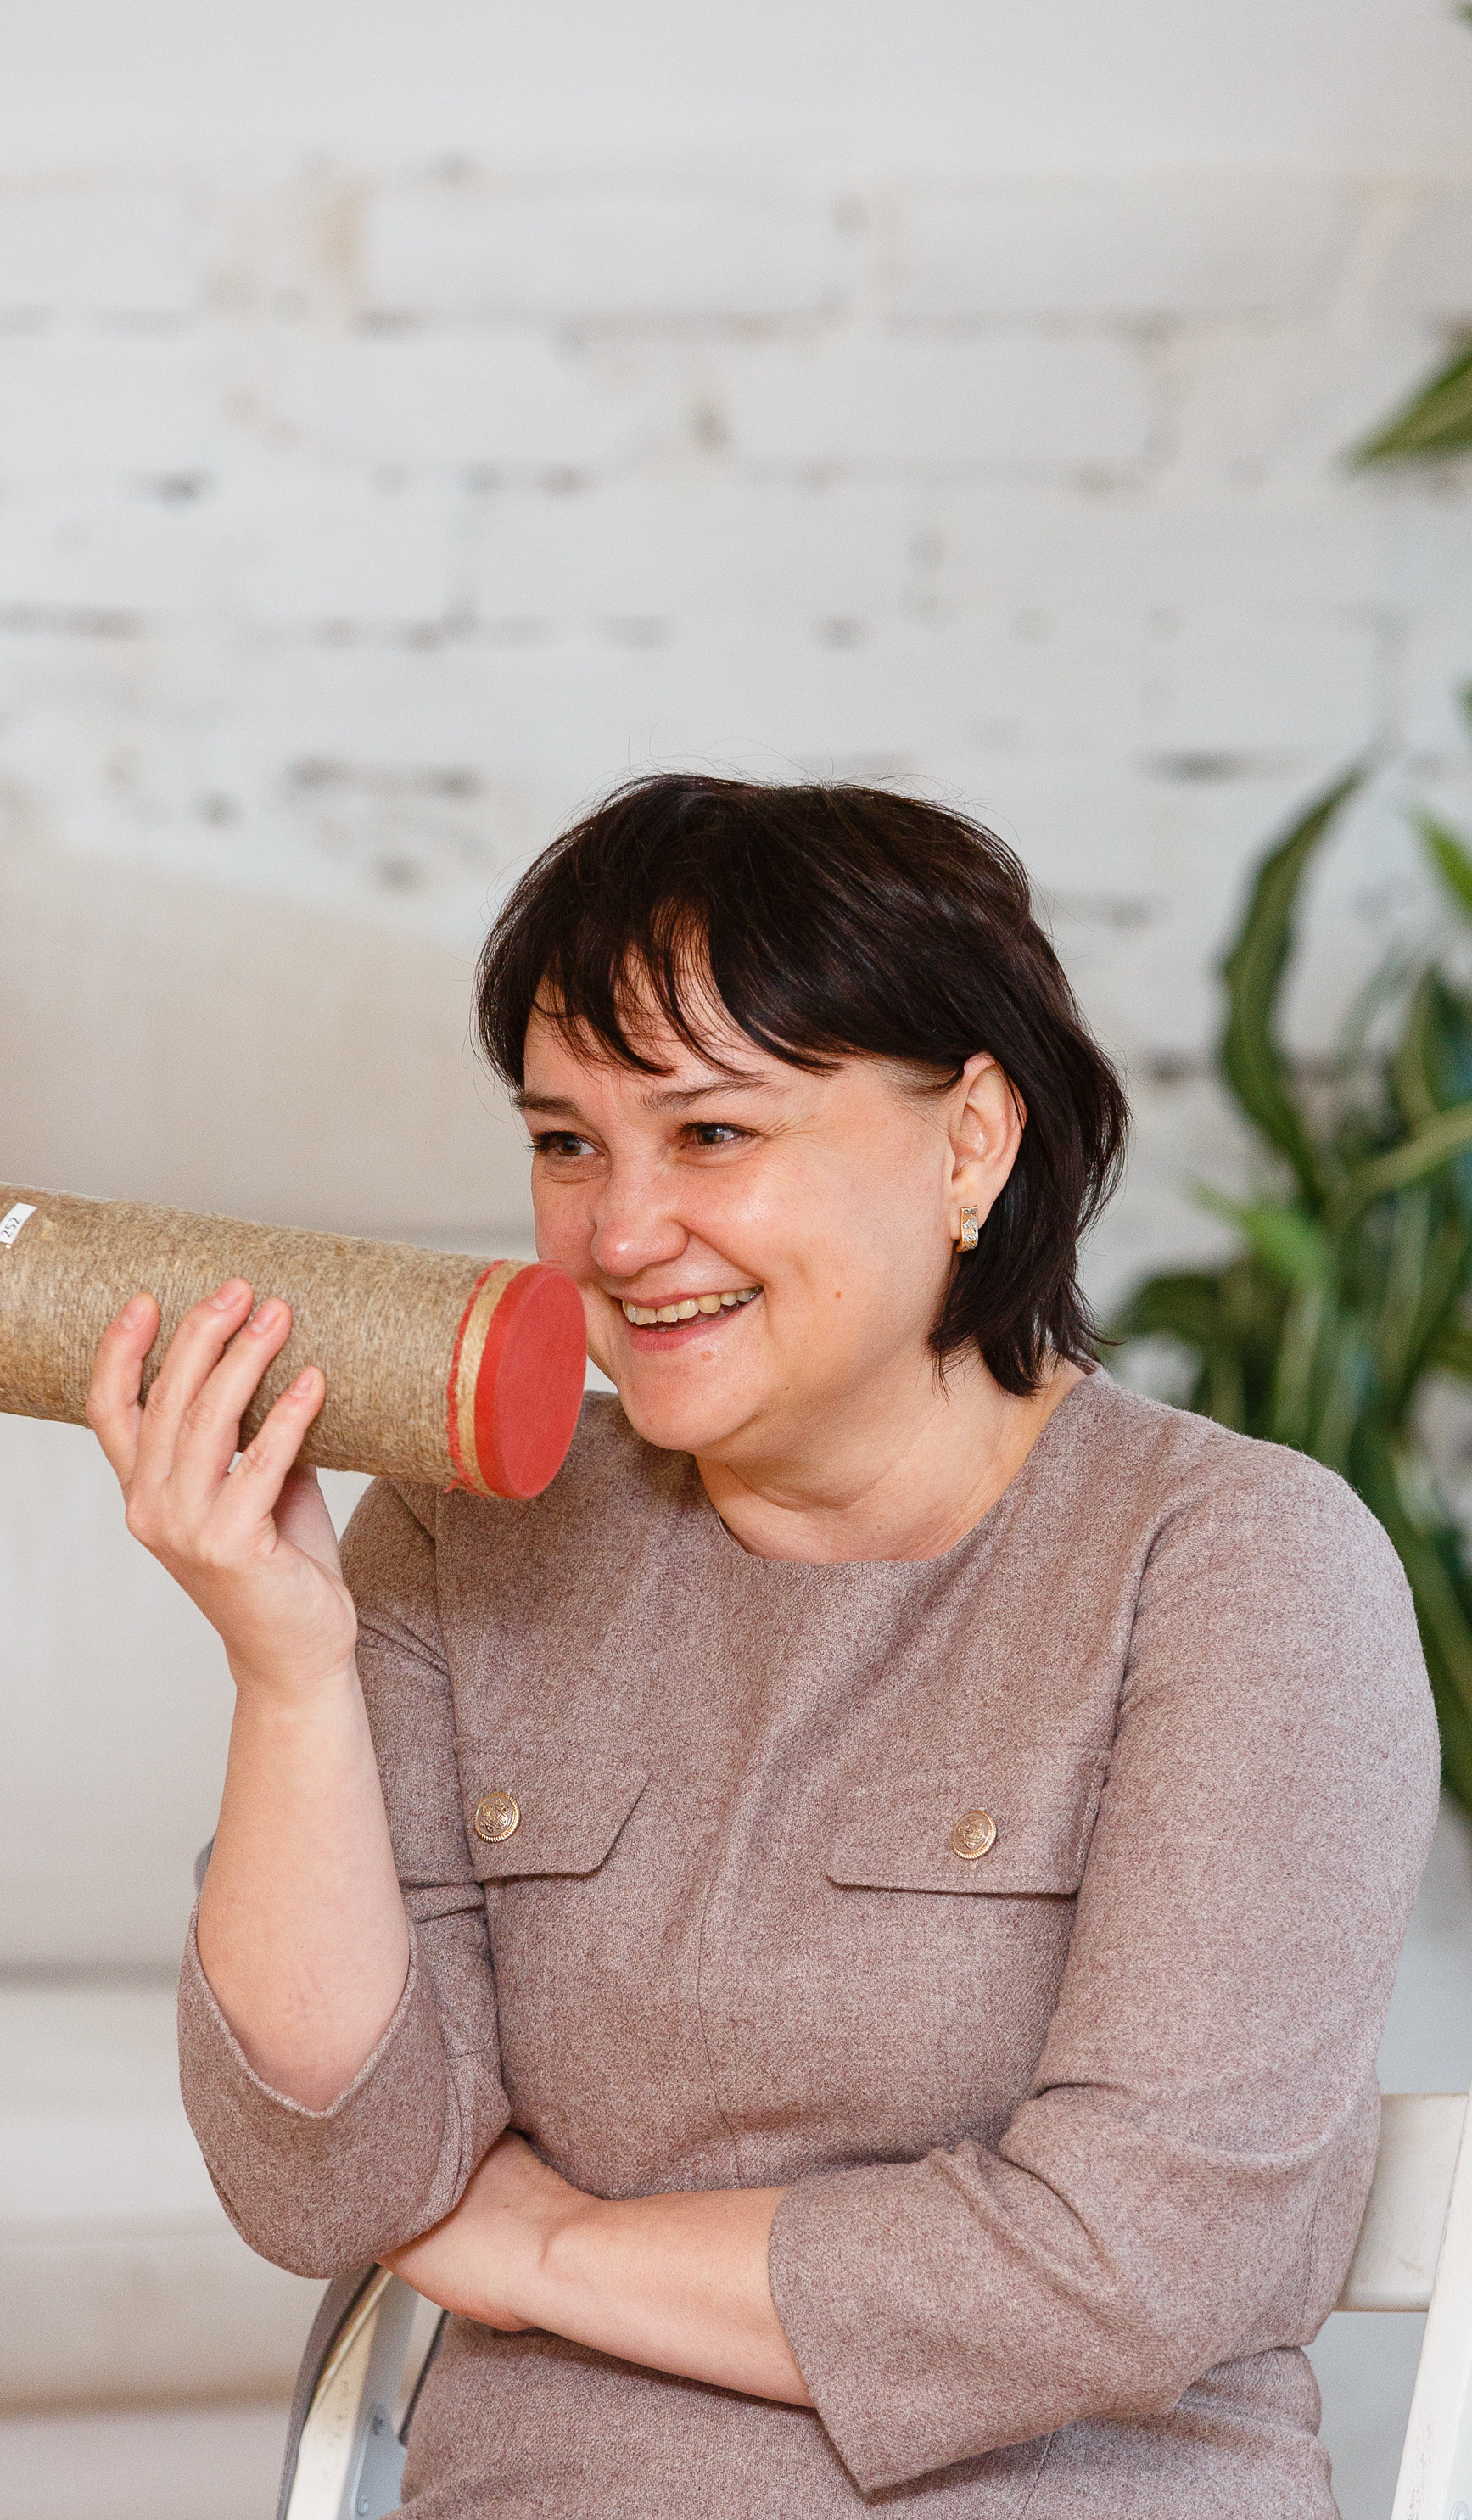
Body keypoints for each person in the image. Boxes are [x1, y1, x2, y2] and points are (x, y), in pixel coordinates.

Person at [87, 776, 1439, 2517]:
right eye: (566, 1141)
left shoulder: (1236, 1565)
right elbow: (327, 2187)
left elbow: (1122, 2265)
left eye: (711, 1136)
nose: (619, 1234)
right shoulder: (460, 1523)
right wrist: (286, 1665)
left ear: (971, 1142)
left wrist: (537, 2247)